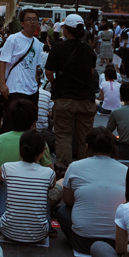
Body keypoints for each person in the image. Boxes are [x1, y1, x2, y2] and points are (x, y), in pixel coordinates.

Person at [58, 127, 127, 254]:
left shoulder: (75, 167)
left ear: (87, 146)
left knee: (63, 211)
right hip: (117, 242)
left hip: (83, 240)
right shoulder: (126, 171)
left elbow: (68, 201)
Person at [45, 14, 97, 167]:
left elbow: (48, 72)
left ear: (66, 30)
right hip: (86, 99)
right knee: (85, 138)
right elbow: (91, 71)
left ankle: (64, 167)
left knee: (63, 136)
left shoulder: (58, 48)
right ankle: (85, 168)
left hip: (64, 98)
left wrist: (56, 82)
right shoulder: (88, 49)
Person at [0, 100, 55, 209]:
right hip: (33, 201)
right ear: (33, 122)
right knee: (61, 183)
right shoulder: (40, 142)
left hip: (2, 200)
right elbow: (51, 180)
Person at [0, 130, 55, 243]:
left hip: (7, 231)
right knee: (45, 188)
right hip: (40, 234)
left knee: (3, 183)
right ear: (42, 152)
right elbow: (52, 186)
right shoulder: (49, 173)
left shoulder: (7, 167)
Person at [0, 9, 44, 127]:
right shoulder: (13, 39)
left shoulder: (37, 43)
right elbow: (3, 61)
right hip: (15, 88)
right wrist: (3, 84)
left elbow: (36, 66)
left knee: (30, 122)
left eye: (35, 19)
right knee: (11, 123)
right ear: (22, 23)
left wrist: (36, 84)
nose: (32, 22)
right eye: (29, 19)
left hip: (32, 90)